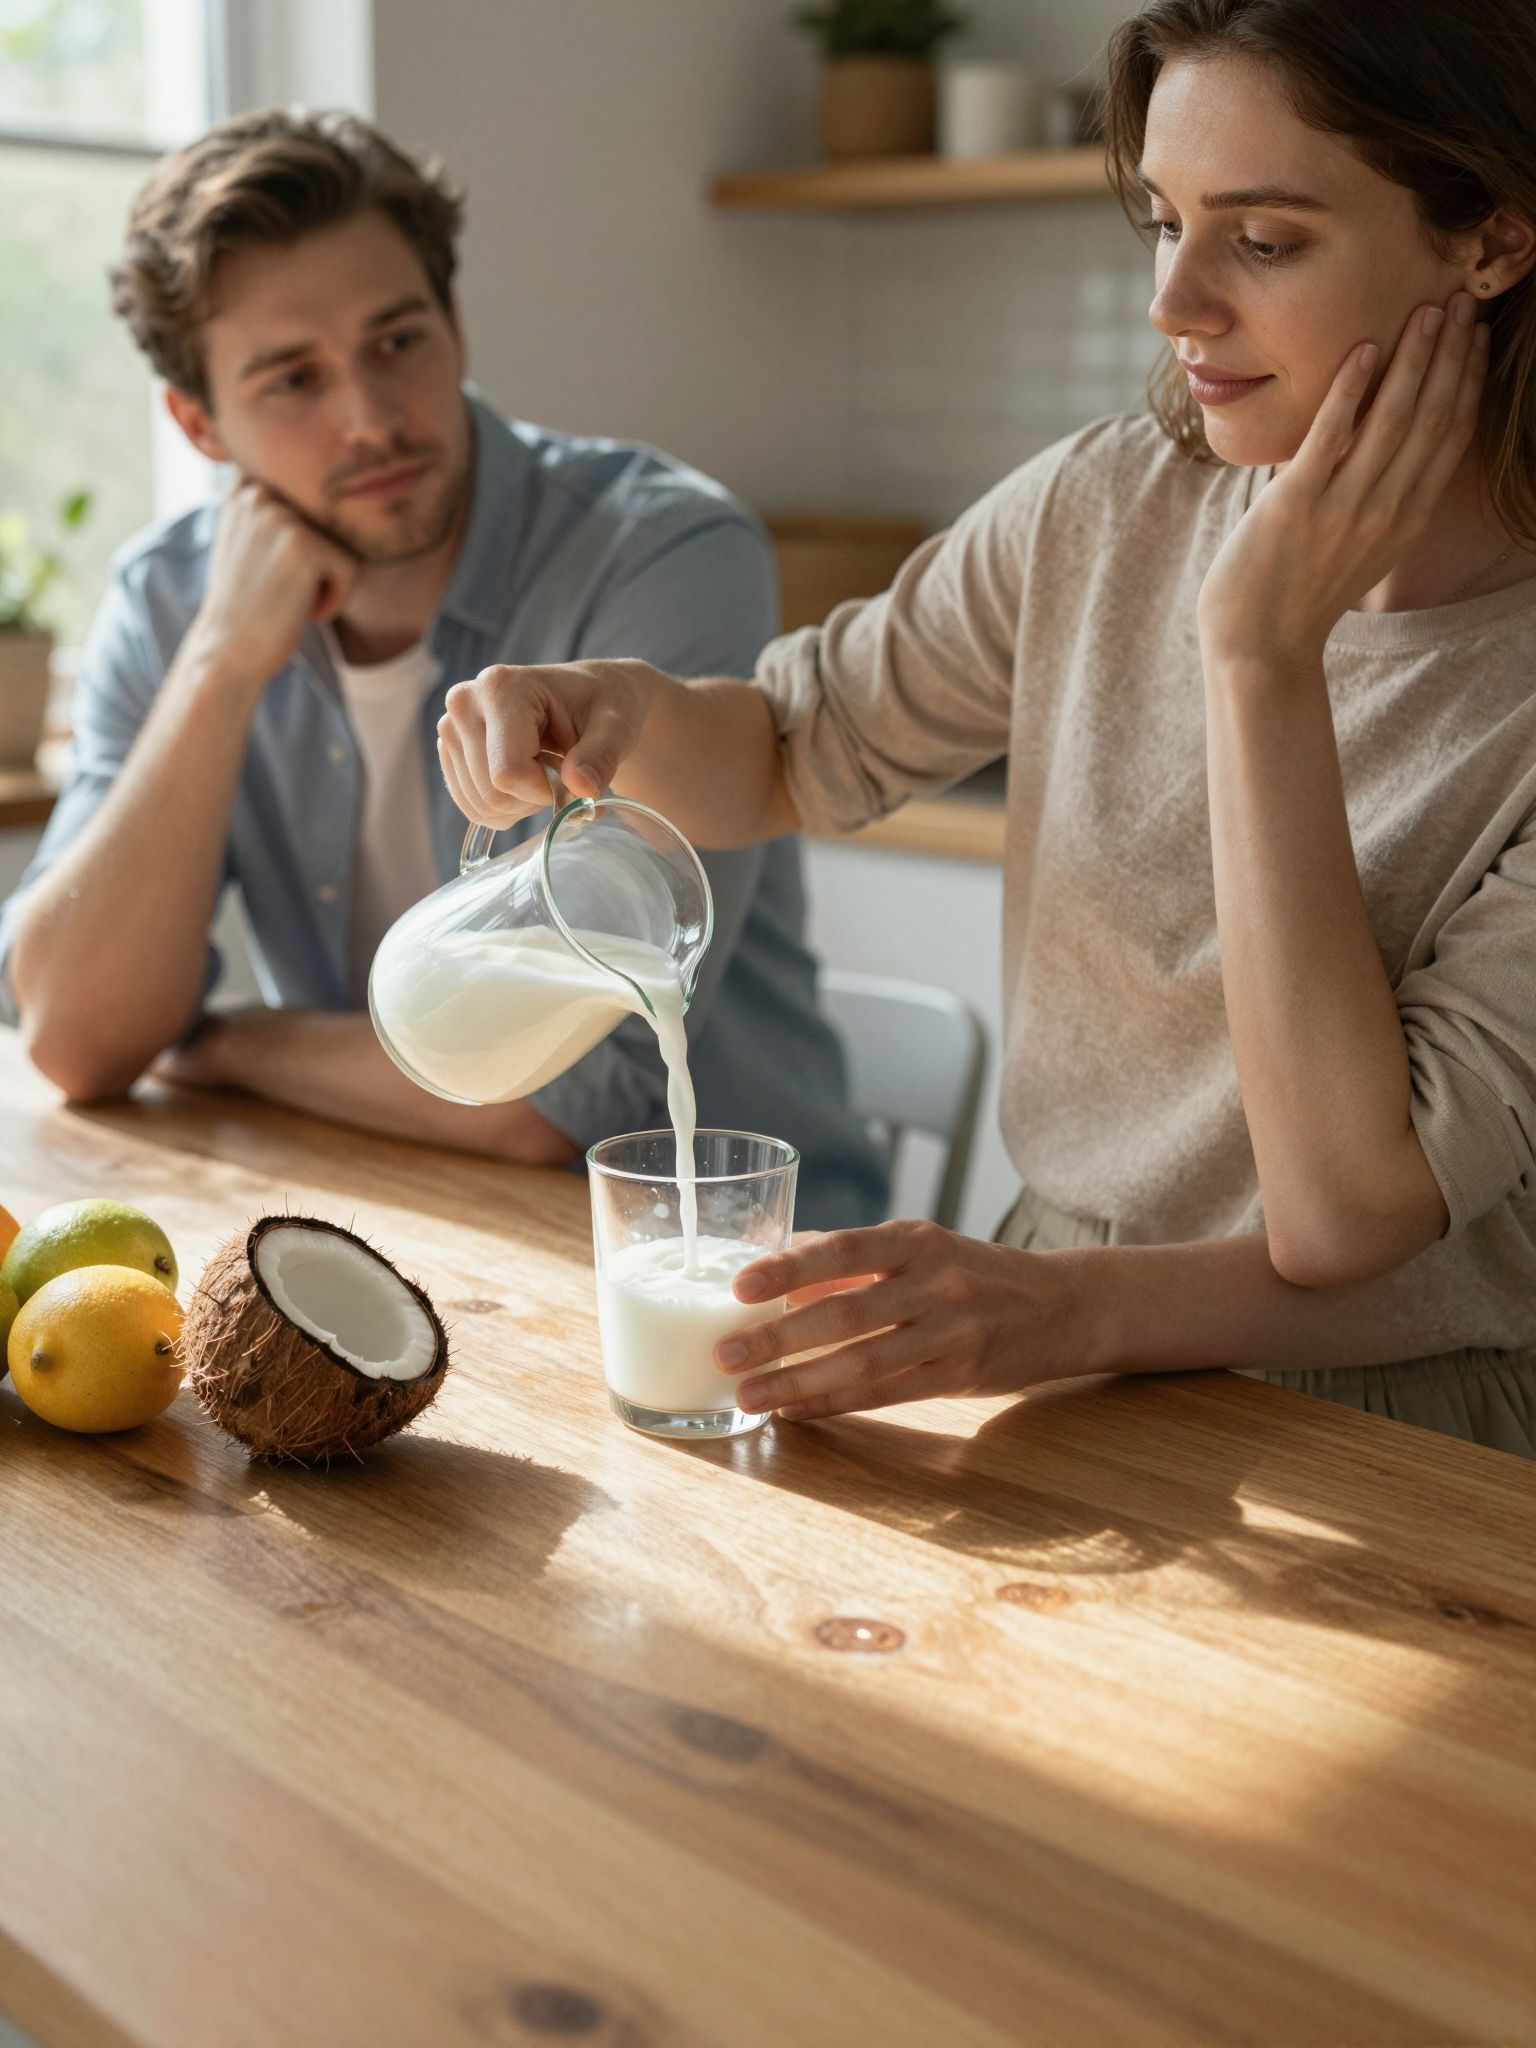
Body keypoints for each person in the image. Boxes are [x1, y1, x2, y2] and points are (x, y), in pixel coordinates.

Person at [437, 0, 1536, 1456]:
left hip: (1404, 1436)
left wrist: (1261, 653)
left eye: (1265, 240)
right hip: (1042, 1344)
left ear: (1492, 240)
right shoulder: (1106, 503)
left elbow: (1346, 1216)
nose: (1175, 302)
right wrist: (620, 707)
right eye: (1165, 222)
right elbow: (785, 750)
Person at [0, 111, 885, 1232]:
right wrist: (220, 663)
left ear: (456, 326)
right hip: (412, 1222)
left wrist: (226, 1042)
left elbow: (567, 1097)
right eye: (293, 379)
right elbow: (76, 1040)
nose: (371, 419)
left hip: (741, 1257)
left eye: (396, 342)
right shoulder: (172, 598)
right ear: (199, 423)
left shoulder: (660, 551)